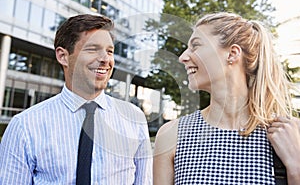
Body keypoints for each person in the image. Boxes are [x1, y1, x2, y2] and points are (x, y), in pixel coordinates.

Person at [0, 14, 152, 184]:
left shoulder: (134, 118)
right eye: (92, 49)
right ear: (63, 56)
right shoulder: (25, 126)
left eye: (109, 51)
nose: (105, 59)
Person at [153, 12, 300, 184]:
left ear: (232, 54)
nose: (183, 57)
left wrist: (296, 167)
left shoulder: (291, 133)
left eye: (196, 46)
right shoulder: (171, 135)